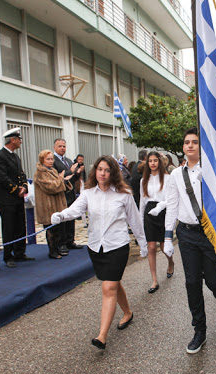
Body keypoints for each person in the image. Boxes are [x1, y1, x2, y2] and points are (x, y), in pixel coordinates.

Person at [51, 155, 147, 350]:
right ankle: (127, 312)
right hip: (96, 247)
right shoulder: (88, 193)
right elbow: (75, 210)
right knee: (114, 283)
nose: (102, 173)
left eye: (107, 170)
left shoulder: (124, 194)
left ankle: (102, 336)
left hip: (117, 246)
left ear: (113, 173)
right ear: (95, 171)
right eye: (100, 169)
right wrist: (60, 216)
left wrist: (143, 244)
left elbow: (135, 220)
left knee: (108, 287)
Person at [162, 128, 216, 354]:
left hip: (210, 233)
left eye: (194, 142)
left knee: (212, 281)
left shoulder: (212, 171)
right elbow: (172, 205)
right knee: (192, 283)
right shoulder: (175, 175)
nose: (190, 145)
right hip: (187, 234)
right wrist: (167, 236)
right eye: (186, 142)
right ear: (183, 147)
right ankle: (199, 330)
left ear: (200, 147)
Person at [0, 128, 34, 268]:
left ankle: (20, 253)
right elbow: (3, 178)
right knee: (9, 228)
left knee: (20, 226)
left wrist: (24, 187)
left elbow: (21, 174)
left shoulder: (15, 156)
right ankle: (8, 256)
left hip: (18, 198)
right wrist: (17, 190)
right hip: (7, 199)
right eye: (19, 139)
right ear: (12, 140)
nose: (20, 142)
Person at [139, 151, 174, 293]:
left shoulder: (167, 178)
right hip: (149, 211)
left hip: (163, 211)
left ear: (159, 162)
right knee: (151, 246)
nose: (153, 163)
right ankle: (154, 280)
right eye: (150, 161)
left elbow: (170, 198)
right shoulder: (143, 180)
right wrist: (140, 220)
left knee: (164, 245)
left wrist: (160, 208)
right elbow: (142, 201)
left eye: (155, 160)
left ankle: (171, 262)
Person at [33, 150, 71, 259]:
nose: (50, 161)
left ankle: (58, 248)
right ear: (42, 160)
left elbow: (59, 184)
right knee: (51, 230)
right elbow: (50, 187)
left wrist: (65, 181)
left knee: (58, 229)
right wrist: (61, 180)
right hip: (48, 206)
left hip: (57, 205)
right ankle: (52, 251)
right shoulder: (40, 173)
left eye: (51, 159)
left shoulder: (53, 170)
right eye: (48, 159)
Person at [53, 138, 83, 253]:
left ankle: (70, 240)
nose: (62, 148)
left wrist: (77, 173)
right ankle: (61, 243)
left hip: (71, 194)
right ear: (55, 147)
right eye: (60, 146)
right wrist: (70, 171)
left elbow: (72, 178)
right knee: (62, 219)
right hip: (61, 195)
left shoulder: (69, 160)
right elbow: (58, 177)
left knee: (71, 218)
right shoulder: (53, 161)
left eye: (64, 146)